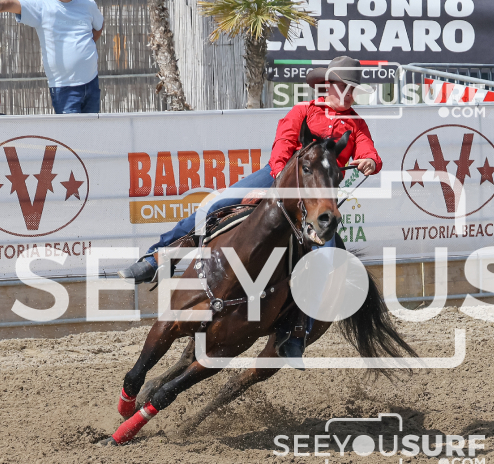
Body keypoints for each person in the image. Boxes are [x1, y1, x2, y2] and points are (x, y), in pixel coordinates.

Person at [118, 56, 382, 360]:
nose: (349, 94)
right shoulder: (303, 111)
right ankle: (157, 258)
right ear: (328, 85)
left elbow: (370, 153)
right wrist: (276, 186)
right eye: (344, 87)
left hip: (316, 199)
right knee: (215, 204)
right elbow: (282, 147)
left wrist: (369, 161)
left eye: (352, 89)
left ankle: (296, 332)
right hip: (278, 178)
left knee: (326, 259)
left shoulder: (356, 124)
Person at [0, 0, 104, 114]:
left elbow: (99, 26)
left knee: (92, 128)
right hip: (64, 87)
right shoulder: (42, 6)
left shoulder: (88, 4)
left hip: (91, 82)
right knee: (71, 129)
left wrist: (86, 47)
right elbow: (13, 4)